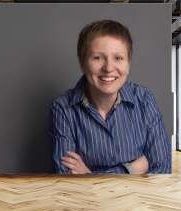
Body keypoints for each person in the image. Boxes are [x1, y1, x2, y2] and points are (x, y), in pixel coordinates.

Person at [50, 20, 171, 174]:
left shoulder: (144, 99)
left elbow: (162, 167)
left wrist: (89, 175)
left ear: (129, 63)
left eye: (118, 58)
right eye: (97, 58)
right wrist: (131, 169)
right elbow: (66, 173)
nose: (108, 68)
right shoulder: (63, 107)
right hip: (85, 199)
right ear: (82, 63)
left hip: (139, 197)